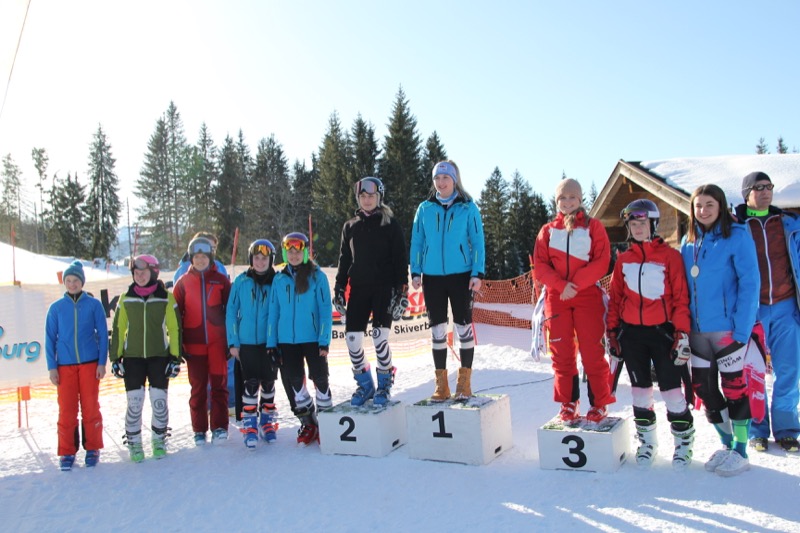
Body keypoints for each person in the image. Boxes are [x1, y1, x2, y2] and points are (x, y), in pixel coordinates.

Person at [606, 199, 694, 469]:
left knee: (672, 393)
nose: (637, 228)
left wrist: (682, 333)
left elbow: (681, 298)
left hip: (662, 334)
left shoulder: (670, 257)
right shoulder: (624, 260)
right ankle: (647, 444)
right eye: (633, 223)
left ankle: (683, 444)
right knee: (640, 393)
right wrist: (612, 331)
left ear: (653, 224)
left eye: (642, 223)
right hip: (632, 335)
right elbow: (615, 298)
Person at [681, 184, 759, 477]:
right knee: (704, 388)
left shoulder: (736, 236)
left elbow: (750, 283)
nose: (703, 211)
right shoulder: (688, 243)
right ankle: (726, 444)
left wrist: (742, 329)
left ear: (721, 206)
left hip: (728, 331)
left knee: (734, 389)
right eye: (698, 206)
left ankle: (741, 450)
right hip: (697, 333)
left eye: (709, 205)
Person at [533, 178, 614, 423]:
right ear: (556, 201)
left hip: (586, 295)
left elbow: (602, 261)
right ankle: (568, 402)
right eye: (562, 198)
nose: (567, 202)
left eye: (572, 197)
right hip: (557, 297)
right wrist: (561, 286)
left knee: (592, 352)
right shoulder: (547, 230)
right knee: (562, 354)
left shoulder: (593, 227)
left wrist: (575, 284)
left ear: (580, 199)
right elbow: (540, 266)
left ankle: (599, 403)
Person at [734, 171, 800, 453]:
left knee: (789, 370)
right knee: (754, 372)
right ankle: (757, 430)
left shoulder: (787, 223)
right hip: (753, 309)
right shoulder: (736, 226)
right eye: (758, 187)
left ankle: (787, 429)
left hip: (786, 305)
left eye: (768, 187)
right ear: (746, 194)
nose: (765, 192)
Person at [409, 161, 485, 401]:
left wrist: (477, 272)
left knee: (463, 326)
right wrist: (416, 271)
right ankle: (441, 386)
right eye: (437, 178)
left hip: (461, 275)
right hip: (432, 276)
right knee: (438, 329)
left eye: (445, 178)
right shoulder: (424, 208)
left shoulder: (467, 207)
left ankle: (464, 383)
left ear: (454, 180)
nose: (441, 183)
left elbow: (478, 241)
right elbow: (417, 241)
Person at [334, 177, 408, 406]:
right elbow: (344, 259)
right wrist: (339, 287)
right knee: (352, 340)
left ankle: (384, 385)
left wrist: (402, 290)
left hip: (384, 288)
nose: (367, 200)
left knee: (379, 337)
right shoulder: (350, 226)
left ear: (379, 197)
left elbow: (400, 258)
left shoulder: (390, 224)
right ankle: (365, 385)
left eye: (371, 196)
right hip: (359, 289)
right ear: (358, 198)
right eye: (363, 196)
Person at [109, 255, 182, 462]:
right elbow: (118, 329)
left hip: (159, 357)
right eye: (136, 273)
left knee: (159, 402)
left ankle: (159, 440)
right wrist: (115, 358)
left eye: (144, 272)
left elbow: (175, 329)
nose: (139, 276)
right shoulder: (126, 298)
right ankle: (134, 443)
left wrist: (175, 358)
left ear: (154, 273)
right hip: (132, 358)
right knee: (134, 403)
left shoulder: (166, 298)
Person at [267, 232, 333, 446]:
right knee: (295, 381)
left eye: (298, 251)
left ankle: (326, 423)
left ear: (305, 252)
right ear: (285, 253)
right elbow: (273, 312)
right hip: (287, 341)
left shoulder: (317, 277)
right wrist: (271, 343)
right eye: (290, 251)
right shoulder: (279, 279)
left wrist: (324, 339)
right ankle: (308, 422)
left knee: (320, 379)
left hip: (313, 338)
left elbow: (325, 310)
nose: (294, 255)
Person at [44, 260, 108, 470]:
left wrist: (101, 362)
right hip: (65, 366)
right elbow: (49, 339)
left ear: (82, 282)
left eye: (76, 280)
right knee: (67, 409)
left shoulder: (94, 305)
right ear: (64, 282)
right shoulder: (56, 308)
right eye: (69, 280)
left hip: (90, 364)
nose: (72, 284)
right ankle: (67, 451)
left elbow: (103, 335)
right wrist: (52, 367)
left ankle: (93, 448)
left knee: (91, 407)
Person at [173, 237, 232, 445]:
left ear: (210, 257)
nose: (200, 260)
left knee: (219, 386)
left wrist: (231, 341)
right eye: (196, 257)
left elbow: (232, 313)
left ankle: (219, 427)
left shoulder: (221, 280)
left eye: (204, 257)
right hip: (194, 344)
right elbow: (175, 317)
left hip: (217, 343)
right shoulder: (183, 283)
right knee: (197, 389)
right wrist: (178, 344)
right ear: (191, 258)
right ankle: (199, 429)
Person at [226, 239, 281, 449]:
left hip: (269, 342)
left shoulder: (277, 281)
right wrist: (233, 341)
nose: (260, 262)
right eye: (256, 258)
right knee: (250, 383)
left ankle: (266, 421)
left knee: (268, 383)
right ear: (251, 259)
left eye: (264, 258)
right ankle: (249, 424)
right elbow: (231, 312)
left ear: (271, 260)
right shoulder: (241, 281)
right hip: (246, 341)